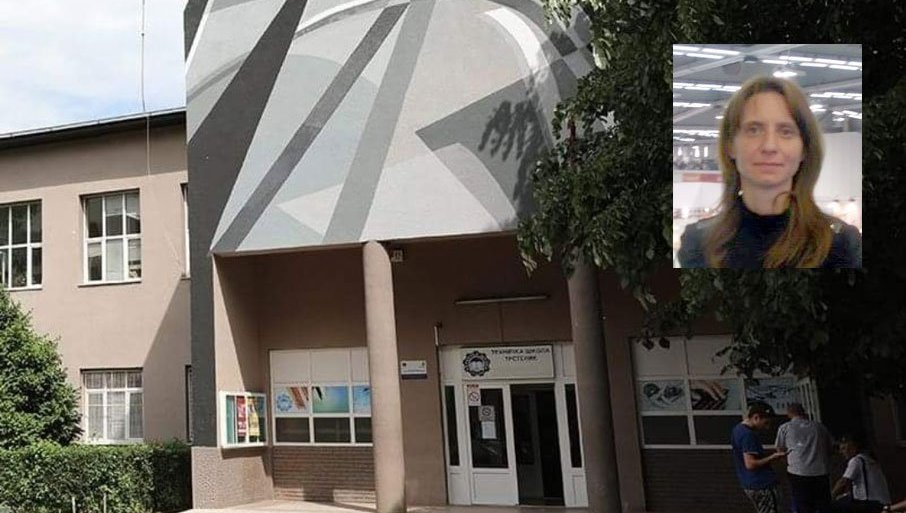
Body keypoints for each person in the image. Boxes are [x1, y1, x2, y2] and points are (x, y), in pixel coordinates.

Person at [677, 76, 862, 268]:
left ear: (804, 149)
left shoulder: (841, 245)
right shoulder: (698, 243)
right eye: (754, 130)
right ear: (730, 145)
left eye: (786, 131)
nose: (769, 146)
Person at [775, 403, 834, 513]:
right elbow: (829, 449)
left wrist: (788, 464)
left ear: (789, 413)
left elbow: (780, 451)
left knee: (802, 505)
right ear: (803, 412)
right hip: (820, 471)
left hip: (798, 472)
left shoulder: (785, 428)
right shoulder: (819, 427)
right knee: (823, 504)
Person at [732, 401, 787, 513]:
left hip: (749, 482)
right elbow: (750, 464)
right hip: (762, 483)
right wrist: (773, 457)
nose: (767, 427)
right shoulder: (748, 435)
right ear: (756, 417)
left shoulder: (737, 429)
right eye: (765, 423)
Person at [831, 434, 891, 513]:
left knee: (834, 506)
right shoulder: (869, 459)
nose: (841, 452)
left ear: (853, 448)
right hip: (883, 501)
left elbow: (843, 482)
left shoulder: (856, 460)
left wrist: (831, 496)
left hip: (871, 503)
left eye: (844, 448)